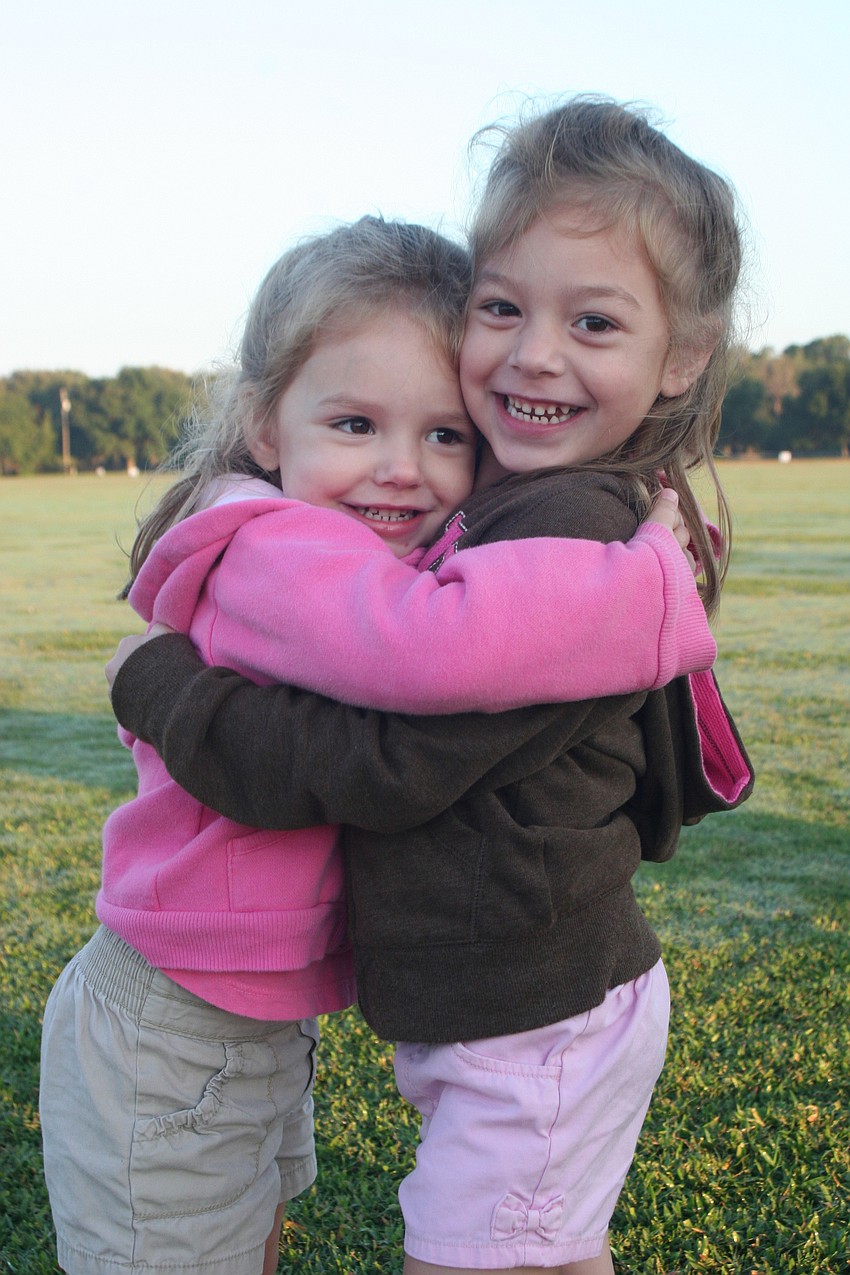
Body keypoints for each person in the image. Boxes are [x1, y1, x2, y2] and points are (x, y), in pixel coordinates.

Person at [104, 97, 754, 1275]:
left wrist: (160, 687)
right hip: (509, 999)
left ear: (685, 356)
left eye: (593, 321)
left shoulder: (575, 541)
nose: (534, 351)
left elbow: (396, 742)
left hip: (539, 1011)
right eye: (501, 307)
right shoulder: (514, 513)